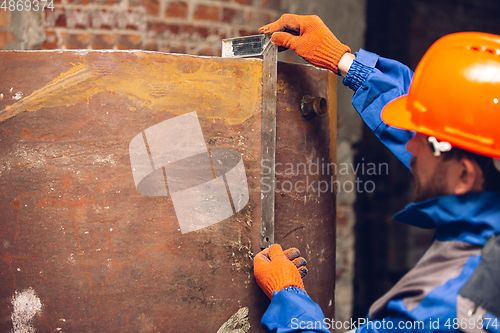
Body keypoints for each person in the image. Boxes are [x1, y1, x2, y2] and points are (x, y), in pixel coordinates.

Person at [253, 14, 500, 333]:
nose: (409, 146)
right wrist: (344, 62)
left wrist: (289, 296)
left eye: (422, 140)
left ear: (465, 176)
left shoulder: (439, 306)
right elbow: (445, 116)